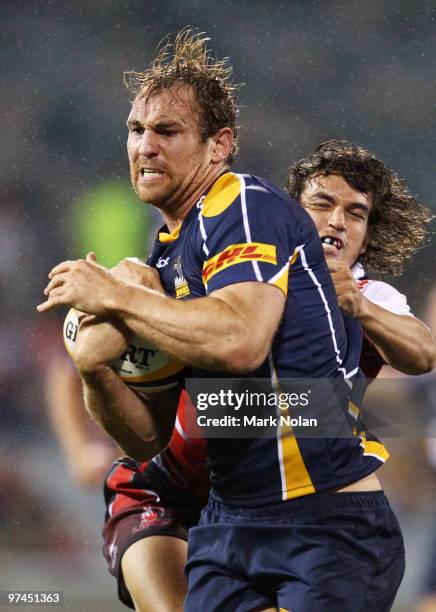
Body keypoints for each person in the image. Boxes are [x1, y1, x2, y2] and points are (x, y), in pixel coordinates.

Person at [37, 30, 429, 611]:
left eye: (166, 131)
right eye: (135, 131)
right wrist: (95, 372)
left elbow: (244, 344)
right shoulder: (166, 263)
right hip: (206, 506)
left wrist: (118, 300)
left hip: (319, 520)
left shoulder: (247, 206)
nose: (145, 146)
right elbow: (143, 435)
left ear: (219, 146)